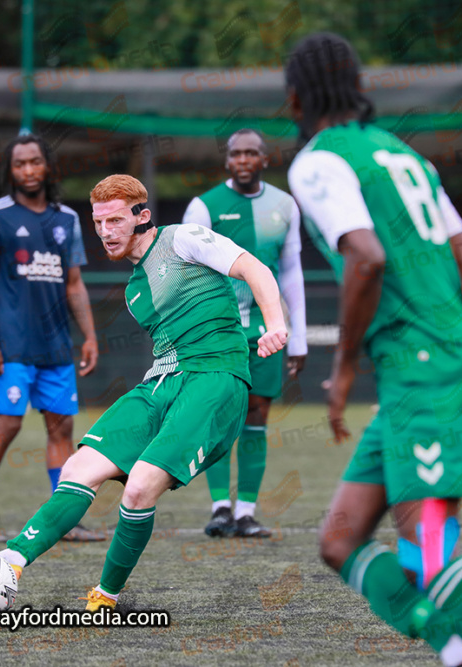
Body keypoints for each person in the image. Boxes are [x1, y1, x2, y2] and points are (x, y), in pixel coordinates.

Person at [285, 33, 462, 667]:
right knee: (340, 539)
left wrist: (345, 366)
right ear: (358, 88)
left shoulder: (318, 160)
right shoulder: (403, 154)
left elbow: (367, 257)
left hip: (424, 369)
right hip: (429, 366)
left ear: (295, 97)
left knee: (428, 554)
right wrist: (443, 334)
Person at [0, 174, 289, 610]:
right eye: (98, 222)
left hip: (215, 378)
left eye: (115, 220)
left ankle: (105, 596)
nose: (105, 231)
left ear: (142, 216)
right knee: (77, 468)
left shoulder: (183, 238)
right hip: (161, 381)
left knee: (139, 487)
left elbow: (255, 268)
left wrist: (276, 324)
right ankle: (5, 564)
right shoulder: (134, 290)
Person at [0, 134, 104, 543]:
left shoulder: (68, 220)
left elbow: (74, 283)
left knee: (61, 430)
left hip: (56, 347)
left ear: (47, 166)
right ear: (10, 171)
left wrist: (89, 335)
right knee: (7, 427)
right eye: (20, 164)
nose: (28, 170)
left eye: (35, 162)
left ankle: (62, 522)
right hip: (12, 347)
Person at [182, 128, 307, 538]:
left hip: (265, 333)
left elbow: (291, 272)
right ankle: (220, 508)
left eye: (252, 153)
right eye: (237, 153)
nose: (244, 160)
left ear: (265, 160)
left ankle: (246, 512)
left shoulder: (285, 205)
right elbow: (187, 273)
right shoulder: (204, 207)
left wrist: (296, 336)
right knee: (219, 414)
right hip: (218, 331)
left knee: (257, 415)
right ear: (227, 160)